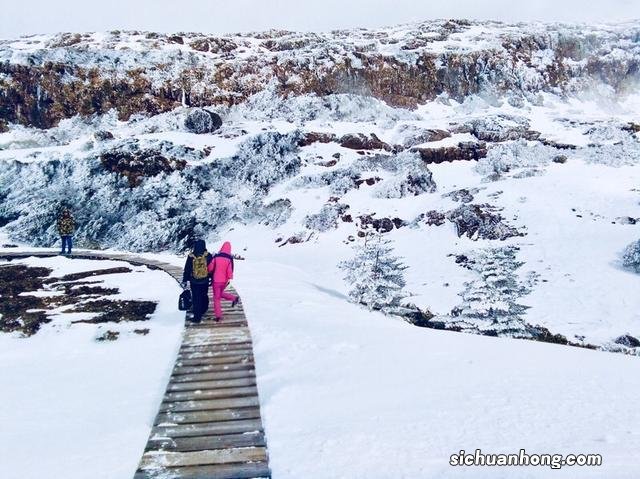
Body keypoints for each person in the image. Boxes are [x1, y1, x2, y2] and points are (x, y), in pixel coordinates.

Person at [181, 239, 213, 323]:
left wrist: (185, 280)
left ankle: (197, 317)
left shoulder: (191, 256)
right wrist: (211, 278)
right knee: (204, 295)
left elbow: (187, 269)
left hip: (194, 281)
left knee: (196, 297)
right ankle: (203, 309)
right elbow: (211, 268)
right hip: (205, 280)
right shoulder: (208, 255)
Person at [207, 241, 239, 321]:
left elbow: (210, 268)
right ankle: (234, 298)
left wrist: (209, 272)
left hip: (216, 280)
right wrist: (229, 279)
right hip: (224, 281)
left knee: (216, 298)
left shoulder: (216, 257)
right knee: (220, 294)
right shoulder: (229, 259)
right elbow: (229, 271)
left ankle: (218, 316)